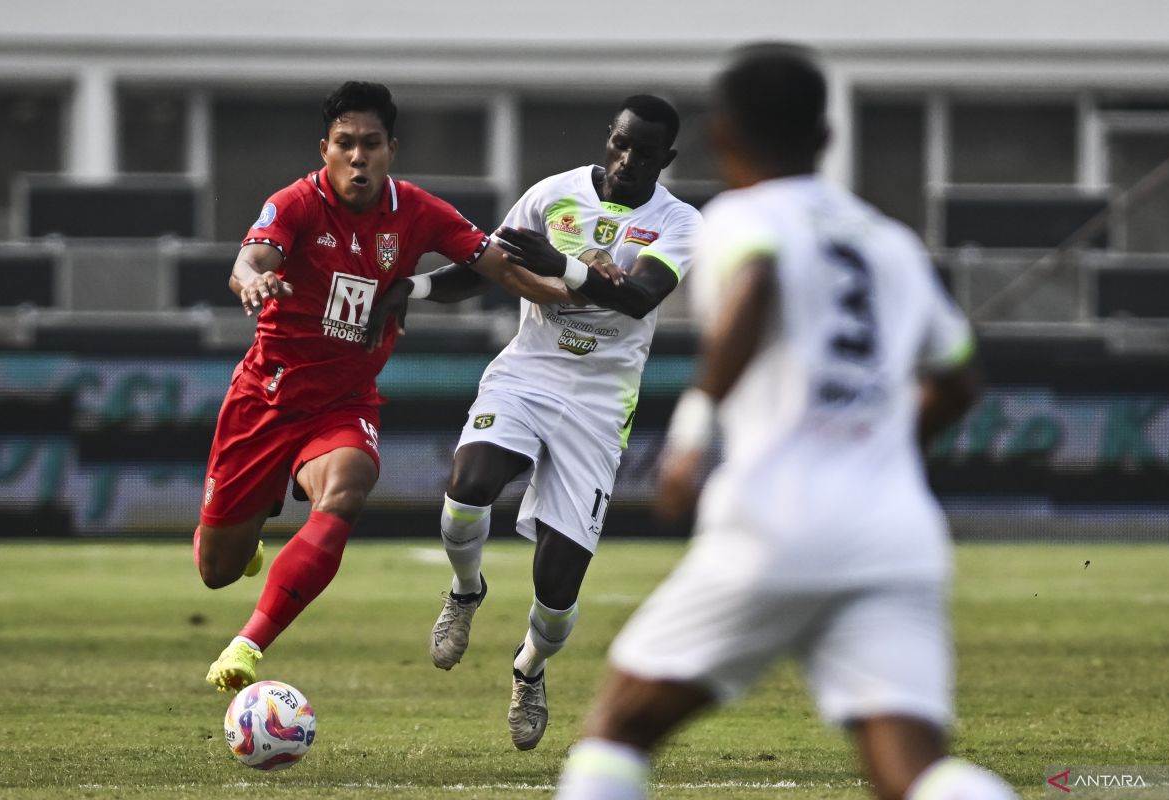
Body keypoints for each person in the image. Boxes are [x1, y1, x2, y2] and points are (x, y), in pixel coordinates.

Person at [554, 45, 1018, 800]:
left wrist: (693, 436)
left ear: (724, 136)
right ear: (825, 138)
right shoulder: (892, 244)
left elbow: (760, 283)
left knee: (618, 731)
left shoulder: (741, 220)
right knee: (915, 770)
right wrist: (884, 450)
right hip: (895, 535)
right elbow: (960, 378)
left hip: (778, 519)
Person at [199, 80, 576, 693]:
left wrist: (581, 294)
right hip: (265, 398)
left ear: (390, 149)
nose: (357, 157)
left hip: (344, 405)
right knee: (215, 569)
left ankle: (249, 644)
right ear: (325, 149)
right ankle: (250, 535)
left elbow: (499, 266)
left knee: (347, 488)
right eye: (344, 144)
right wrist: (251, 282)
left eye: (370, 144)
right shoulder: (294, 203)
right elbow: (251, 259)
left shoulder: (418, 212)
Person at [384, 95, 702, 751]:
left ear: (665, 160)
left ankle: (529, 668)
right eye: (620, 142)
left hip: (600, 398)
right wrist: (410, 290)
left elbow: (640, 297)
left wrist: (564, 265)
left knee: (557, 594)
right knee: (469, 485)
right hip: (529, 369)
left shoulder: (680, 222)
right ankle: (465, 591)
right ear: (608, 136)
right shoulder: (551, 196)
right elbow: (484, 269)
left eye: (644, 152)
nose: (626, 159)